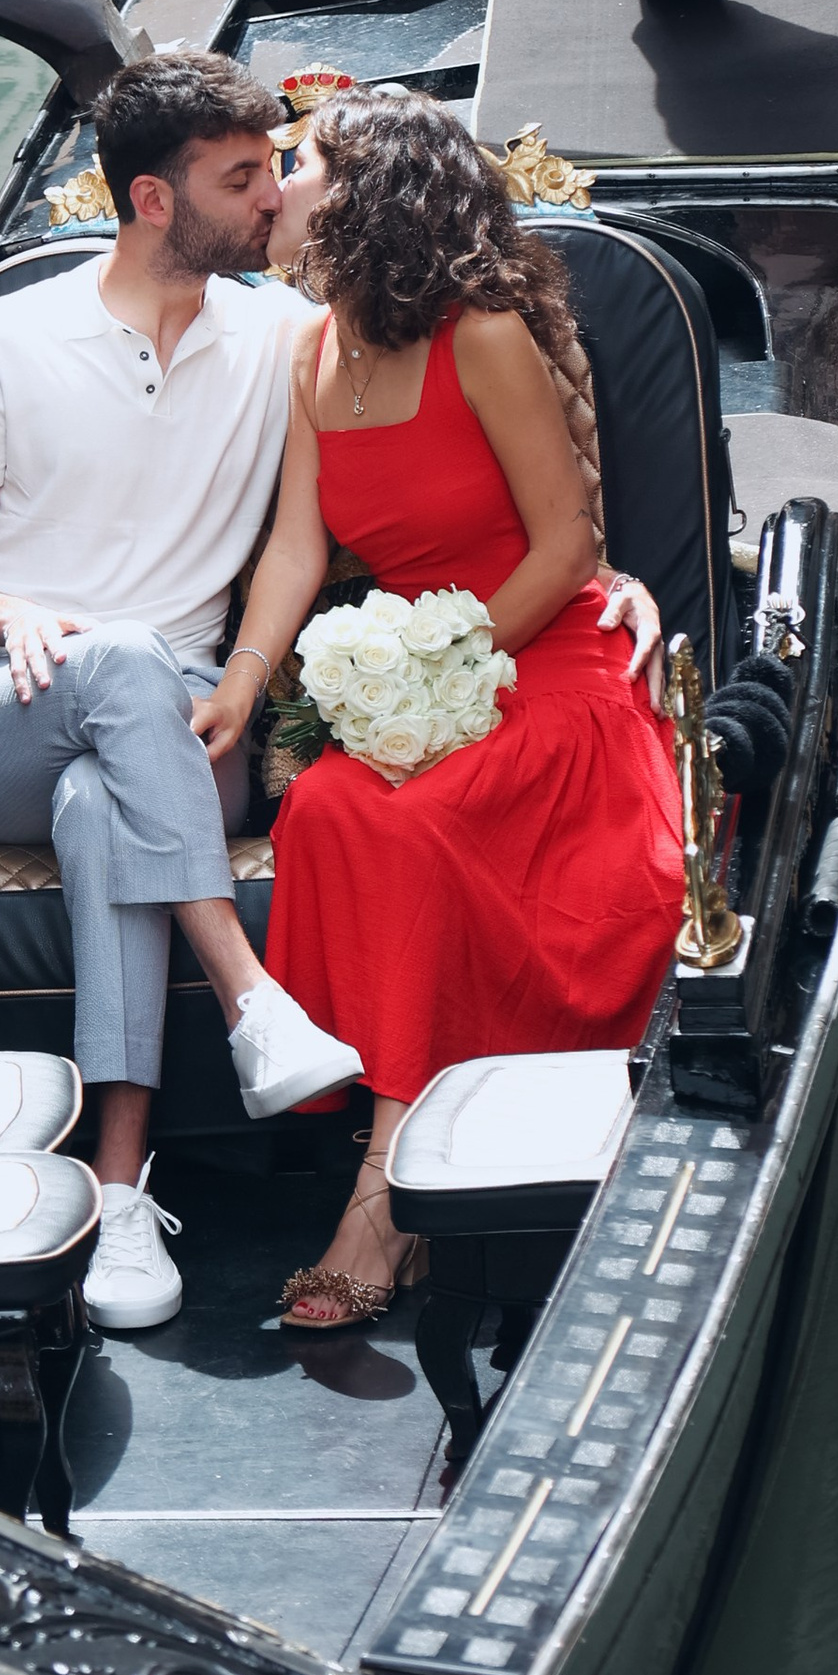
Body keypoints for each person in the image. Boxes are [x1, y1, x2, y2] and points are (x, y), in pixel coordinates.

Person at [195, 93, 685, 1330]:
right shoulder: (312, 355)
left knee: (406, 826)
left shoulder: (484, 335)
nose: (275, 191)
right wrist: (243, 685)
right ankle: (407, 1159)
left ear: (365, 195)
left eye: (296, 166)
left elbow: (569, 543)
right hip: (425, 683)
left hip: (543, 665)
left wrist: (452, 664)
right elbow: (297, 552)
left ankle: (383, 1200)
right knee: (326, 814)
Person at [0, 50, 367, 1337]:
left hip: (185, 721)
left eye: (274, 165)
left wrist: (253, 679)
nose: (271, 195)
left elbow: (293, 546)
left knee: (115, 785)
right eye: (241, 176)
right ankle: (253, 1003)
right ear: (153, 201)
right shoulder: (2, 340)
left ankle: (112, 1196)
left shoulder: (285, 336)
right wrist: (17, 616)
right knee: (112, 658)